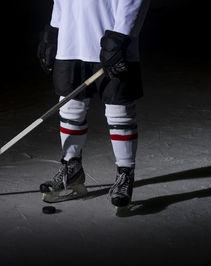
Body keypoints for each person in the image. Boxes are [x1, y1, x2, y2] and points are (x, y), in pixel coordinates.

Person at [37, 0, 150, 208]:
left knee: (119, 110)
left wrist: (120, 36)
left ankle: (125, 174)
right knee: (70, 107)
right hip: (71, 40)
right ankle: (72, 168)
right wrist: (53, 32)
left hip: (112, 41)